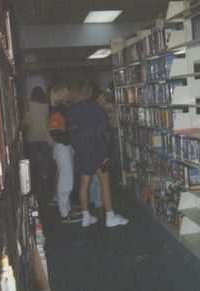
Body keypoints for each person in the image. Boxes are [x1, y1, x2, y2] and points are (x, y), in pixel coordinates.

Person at [68, 79, 128, 227]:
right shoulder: (93, 107)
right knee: (105, 181)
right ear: (85, 91)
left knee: (84, 183)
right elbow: (105, 125)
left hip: (81, 150)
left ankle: (86, 217)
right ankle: (110, 217)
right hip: (96, 148)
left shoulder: (71, 110)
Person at [49, 83, 81, 223]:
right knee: (65, 180)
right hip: (62, 147)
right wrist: (70, 137)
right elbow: (55, 133)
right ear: (61, 93)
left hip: (65, 147)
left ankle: (67, 208)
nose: (70, 92)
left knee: (67, 178)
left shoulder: (64, 109)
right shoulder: (58, 111)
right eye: (68, 90)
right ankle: (64, 213)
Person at [22, 86, 51, 179]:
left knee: (33, 155)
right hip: (44, 134)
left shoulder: (28, 104)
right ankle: (45, 174)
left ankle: (34, 174)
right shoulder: (45, 105)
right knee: (45, 155)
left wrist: (24, 130)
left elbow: (27, 120)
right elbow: (47, 120)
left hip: (32, 134)